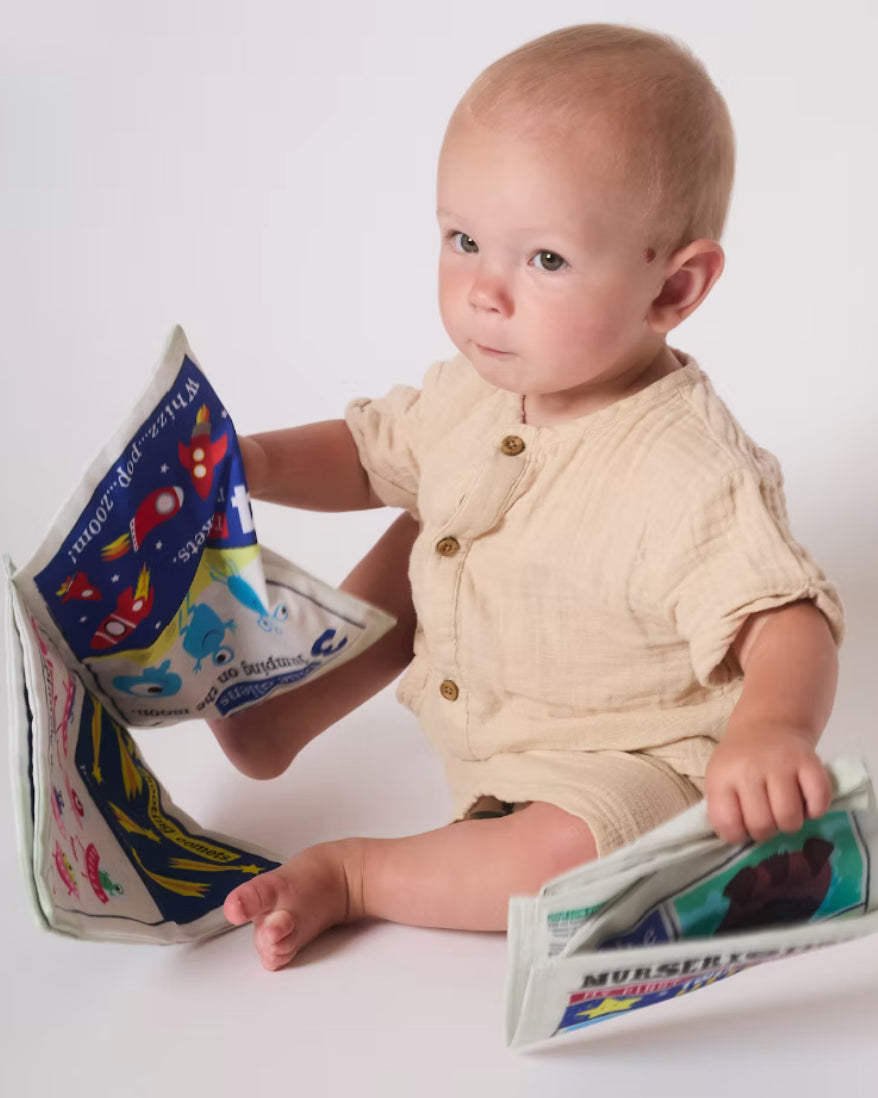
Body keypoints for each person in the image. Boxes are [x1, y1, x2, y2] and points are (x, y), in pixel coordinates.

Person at [208, 24, 844, 971]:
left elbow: (787, 618)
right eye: (463, 240)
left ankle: (357, 875)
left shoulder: (689, 467)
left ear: (673, 287)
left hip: (625, 761)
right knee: (439, 515)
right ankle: (277, 708)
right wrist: (248, 461)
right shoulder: (482, 387)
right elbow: (374, 448)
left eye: (544, 260)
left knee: (577, 858)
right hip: (491, 700)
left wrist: (770, 729)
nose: (485, 294)